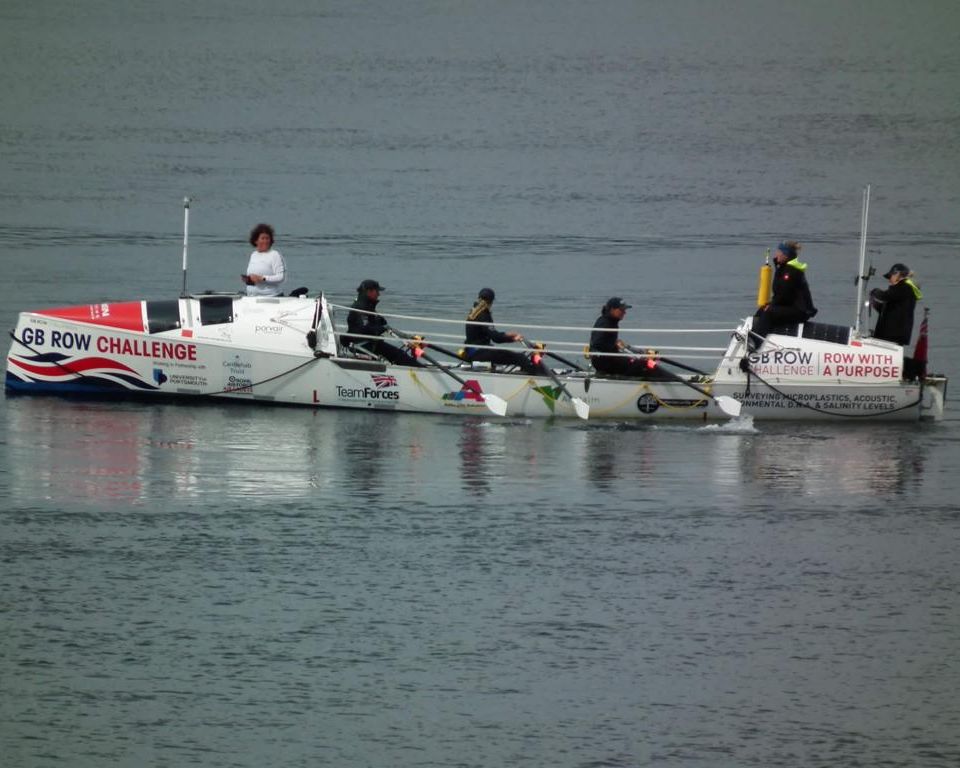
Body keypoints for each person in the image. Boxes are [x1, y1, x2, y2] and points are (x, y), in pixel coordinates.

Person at [462, 288, 548, 375]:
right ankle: (536, 376)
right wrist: (513, 338)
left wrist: (508, 334)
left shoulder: (473, 312)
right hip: (480, 353)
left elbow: (490, 333)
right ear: (491, 302)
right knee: (520, 358)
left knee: (511, 356)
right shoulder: (484, 315)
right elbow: (496, 338)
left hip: (472, 351)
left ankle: (527, 372)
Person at [749, 240, 817, 350]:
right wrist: (769, 305)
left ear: (786, 255)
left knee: (769, 312)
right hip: (791, 306)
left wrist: (771, 306)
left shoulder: (790, 272)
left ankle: (755, 343)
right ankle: (751, 335)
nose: (776, 254)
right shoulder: (783, 268)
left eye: (778, 252)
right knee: (762, 309)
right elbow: (781, 295)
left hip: (800, 311)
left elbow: (785, 295)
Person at [343, 280, 420, 366]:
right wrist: (381, 328)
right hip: (365, 345)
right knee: (400, 356)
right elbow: (364, 329)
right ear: (369, 291)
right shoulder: (360, 307)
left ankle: (416, 366)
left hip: (371, 344)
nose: (379, 294)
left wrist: (409, 337)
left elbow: (382, 323)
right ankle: (418, 369)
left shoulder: (367, 306)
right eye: (377, 291)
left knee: (400, 355)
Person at [589, 297, 668, 378]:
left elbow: (603, 341)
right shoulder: (605, 323)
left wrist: (616, 345)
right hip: (605, 362)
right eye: (621, 310)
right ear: (612, 309)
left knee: (641, 362)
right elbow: (597, 343)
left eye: (624, 310)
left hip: (607, 359)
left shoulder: (609, 321)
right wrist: (614, 347)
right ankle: (665, 381)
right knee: (644, 364)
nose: (624, 312)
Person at [870, 262, 922, 345]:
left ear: (898, 274)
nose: (889, 280)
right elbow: (888, 309)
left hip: (894, 336)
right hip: (888, 335)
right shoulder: (897, 290)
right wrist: (874, 303)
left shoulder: (905, 287)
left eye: (891, 276)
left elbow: (885, 296)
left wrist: (875, 291)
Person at [242, 223, 287, 296]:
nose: (265, 241)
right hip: (252, 297)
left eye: (267, 238)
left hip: (271, 297)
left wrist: (262, 278)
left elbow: (281, 277)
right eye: (263, 238)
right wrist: (248, 279)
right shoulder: (253, 255)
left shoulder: (274, 255)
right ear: (256, 241)